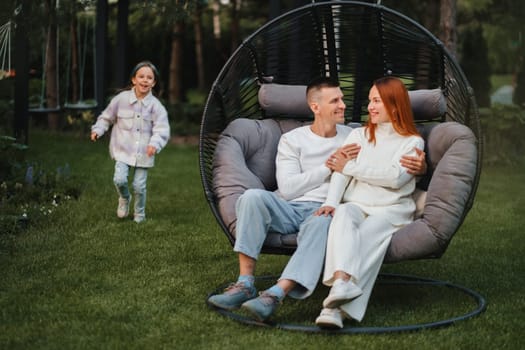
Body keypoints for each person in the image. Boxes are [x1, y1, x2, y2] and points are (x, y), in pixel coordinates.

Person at [208, 77, 426, 322]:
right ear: (315, 107)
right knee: (251, 197)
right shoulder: (293, 139)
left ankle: (276, 293)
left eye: (342, 99)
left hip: (325, 211)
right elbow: (289, 189)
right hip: (290, 206)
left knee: (324, 221)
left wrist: (420, 167)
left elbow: (387, 154)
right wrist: (328, 166)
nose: (344, 105)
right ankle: (245, 283)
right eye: (335, 101)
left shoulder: (352, 133)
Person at [314, 76, 424, 328]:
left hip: (391, 210)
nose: (370, 107)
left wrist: (352, 166)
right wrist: (332, 201)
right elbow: (340, 171)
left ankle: (334, 310)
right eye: (370, 101)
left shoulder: (412, 143)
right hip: (357, 203)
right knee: (341, 217)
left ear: (395, 106)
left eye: (377, 101)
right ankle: (341, 283)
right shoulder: (358, 134)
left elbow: (395, 178)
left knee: (363, 238)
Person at [90, 61, 170, 223]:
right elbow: (107, 117)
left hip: (144, 152)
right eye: (141, 76)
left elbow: (162, 128)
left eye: (149, 78)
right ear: (134, 79)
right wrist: (98, 129)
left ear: (153, 83)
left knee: (139, 186)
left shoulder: (156, 106)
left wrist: (155, 144)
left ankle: (139, 213)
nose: (145, 80)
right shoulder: (121, 100)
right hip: (122, 149)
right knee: (119, 179)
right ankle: (124, 198)